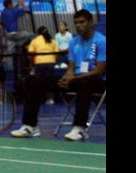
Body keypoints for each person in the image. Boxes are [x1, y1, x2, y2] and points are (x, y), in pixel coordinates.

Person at [10, 9, 106, 141]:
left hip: (95, 80)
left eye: (82, 22)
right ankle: (30, 126)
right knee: (34, 80)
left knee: (85, 82)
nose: (78, 25)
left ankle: (80, 128)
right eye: (76, 23)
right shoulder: (74, 42)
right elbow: (71, 68)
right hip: (76, 80)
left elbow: (98, 71)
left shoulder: (102, 41)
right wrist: (66, 78)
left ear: (91, 23)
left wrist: (74, 78)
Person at [26, 26, 59, 104]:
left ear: (38, 33)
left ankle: (39, 98)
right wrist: (53, 61)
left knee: (39, 82)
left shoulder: (35, 40)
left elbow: (30, 54)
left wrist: (32, 63)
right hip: (50, 62)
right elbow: (57, 53)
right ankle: (51, 99)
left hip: (39, 63)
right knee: (50, 81)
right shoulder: (52, 40)